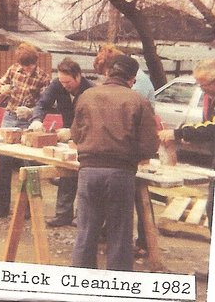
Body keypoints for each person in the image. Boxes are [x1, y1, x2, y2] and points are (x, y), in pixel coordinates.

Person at [71, 54, 159, 271]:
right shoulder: (138, 100)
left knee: (86, 233)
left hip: (88, 172)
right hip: (120, 173)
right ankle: (116, 288)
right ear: (132, 79)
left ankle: (80, 287)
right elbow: (149, 145)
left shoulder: (86, 95)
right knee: (119, 235)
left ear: (108, 72)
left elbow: (75, 134)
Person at [94, 43, 156, 257]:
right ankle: (123, 238)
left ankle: (145, 242)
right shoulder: (130, 83)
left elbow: (128, 125)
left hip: (128, 153)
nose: (104, 80)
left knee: (137, 196)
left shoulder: (135, 90)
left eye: (105, 73)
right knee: (128, 197)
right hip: (126, 152)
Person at [0, 43, 51, 220]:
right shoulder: (13, 70)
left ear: (35, 61)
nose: (26, 68)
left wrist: (32, 112)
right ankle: (1, 207)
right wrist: (2, 89)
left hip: (28, 121)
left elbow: (45, 104)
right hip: (10, 116)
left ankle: (29, 207)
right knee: (3, 161)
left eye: (28, 65)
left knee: (29, 164)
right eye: (23, 65)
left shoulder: (43, 78)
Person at [29, 57, 94, 227]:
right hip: (67, 135)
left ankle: (82, 216)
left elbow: (92, 120)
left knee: (83, 175)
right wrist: (37, 119)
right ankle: (63, 214)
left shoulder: (91, 91)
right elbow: (42, 103)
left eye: (68, 82)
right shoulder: (57, 84)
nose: (65, 86)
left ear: (78, 76)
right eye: (62, 82)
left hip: (86, 135)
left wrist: (73, 132)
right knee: (65, 170)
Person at [159, 57, 215, 233]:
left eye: (204, 85)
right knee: (213, 208)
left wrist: (178, 133)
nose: (201, 89)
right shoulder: (214, 96)